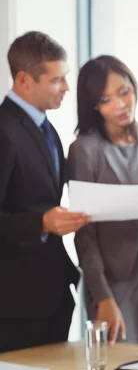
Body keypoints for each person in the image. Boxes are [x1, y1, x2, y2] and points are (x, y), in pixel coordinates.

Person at [68, 55, 138, 347]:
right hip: (113, 280)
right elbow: (84, 232)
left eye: (124, 91)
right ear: (94, 105)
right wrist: (103, 297)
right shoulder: (84, 150)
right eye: (106, 99)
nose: (121, 104)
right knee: (116, 368)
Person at [0, 31, 90, 352]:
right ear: (24, 80)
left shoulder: (47, 127)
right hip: (15, 305)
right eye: (57, 80)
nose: (66, 88)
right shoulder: (4, 129)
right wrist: (42, 223)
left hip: (49, 295)